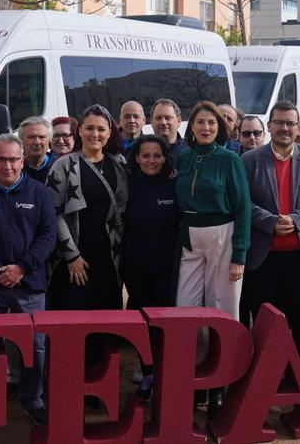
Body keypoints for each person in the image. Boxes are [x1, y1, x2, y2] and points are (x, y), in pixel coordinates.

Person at [242, 100, 300, 409]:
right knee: (265, 326)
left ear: (298, 128)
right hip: (263, 260)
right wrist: (269, 222)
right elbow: (242, 203)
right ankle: (265, 388)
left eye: (289, 123)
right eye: (278, 122)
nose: (283, 128)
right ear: (270, 126)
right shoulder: (250, 159)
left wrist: (296, 220)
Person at [0, 134, 56, 429]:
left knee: (33, 346)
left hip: (28, 285)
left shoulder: (39, 193)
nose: (7, 165)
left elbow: (47, 237)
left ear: (22, 161)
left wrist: (21, 269)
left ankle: (33, 399)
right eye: (1, 159)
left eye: (13, 159)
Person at [175, 101, 252, 419]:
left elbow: (243, 206)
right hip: (191, 237)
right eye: (200, 122)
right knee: (186, 311)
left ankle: (220, 385)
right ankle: (194, 381)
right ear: (191, 126)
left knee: (223, 312)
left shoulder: (229, 159)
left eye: (211, 123)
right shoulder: (184, 157)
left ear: (220, 128)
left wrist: (239, 254)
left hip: (223, 233)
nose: (205, 128)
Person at [45, 105, 128, 384]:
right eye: (89, 128)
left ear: (109, 133)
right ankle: (67, 384)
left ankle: (96, 384)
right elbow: (53, 213)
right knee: (74, 322)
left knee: (104, 323)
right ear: (79, 131)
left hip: (109, 259)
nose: (95, 133)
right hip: (75, 260)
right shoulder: (64, 165)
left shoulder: (119, 164)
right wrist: (71, 256)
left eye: (101, 129)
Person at [121, 134, 180, 401]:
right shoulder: (127, 184)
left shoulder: (174, 183)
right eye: (146, 155)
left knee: (165, 325)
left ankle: (168, 376)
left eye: (157, 155)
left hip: (167, 268)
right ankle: (147, 374)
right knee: (141, 323)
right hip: (136, 268)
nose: (152, 160)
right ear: (136, 157)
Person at [19, 116, 55, 183]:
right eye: (31, 137)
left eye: (42, 137)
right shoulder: (13, 167)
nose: (37, 142)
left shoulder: (60, 165)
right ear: (21, 141)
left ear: (49, 141)